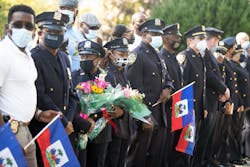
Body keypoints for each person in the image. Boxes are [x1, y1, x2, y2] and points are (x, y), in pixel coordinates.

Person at [28, 11, 79, 167]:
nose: (56, 35)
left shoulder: (64, 57)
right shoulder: (34, 58)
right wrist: (62, 121)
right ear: (39, 32)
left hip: (65, 127)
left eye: (60, 32)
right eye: (51, 32)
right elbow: (41, 96)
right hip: (45, 127)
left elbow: (71, 94)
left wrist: (68, 120)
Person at [125, 18, 173, 167]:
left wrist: (167, 88)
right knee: (138, 157)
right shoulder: (136, 55)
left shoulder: (158, 55)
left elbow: (168, 79)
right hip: (145, 116)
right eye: (153, 33)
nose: (158, 37)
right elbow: (133, 89)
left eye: (159, 34)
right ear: (144, 34)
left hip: (160, 113)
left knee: (155, 156)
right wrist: (144, 117)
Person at [0, 5, 38, 166]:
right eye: (18, 25)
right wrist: (6, 138)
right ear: (8, 28)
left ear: (34, 30)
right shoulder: (3, 53)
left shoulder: (27, 54)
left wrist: (39, 112)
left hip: (25, 130)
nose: (23, 29)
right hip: (9, 131)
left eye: (28, 26)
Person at [176, 25, 207, 167]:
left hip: (199, 107)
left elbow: (202, 85)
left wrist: (204, 106)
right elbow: (183, 85)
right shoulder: (185, 56)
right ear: (189, 41)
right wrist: (189, 107)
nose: (203, 41)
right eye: (200, 38)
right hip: (188, 108)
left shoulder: (199, 57)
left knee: (194, 142)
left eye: (204, 38)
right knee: (185, 143)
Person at [103, 37, 136, 167]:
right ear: (111, 55)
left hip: (125, 128)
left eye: (126, 54)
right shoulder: (107, 74)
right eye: (121, 54)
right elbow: (109, 105)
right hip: (114, 130)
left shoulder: (122, 74)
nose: (125, 57)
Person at [160, 23, 186, 167]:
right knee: (167, 147)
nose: (177, 39)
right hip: (168, 109)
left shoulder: (174, 57)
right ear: (165, 38)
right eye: (174, 36)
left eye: (178, 36)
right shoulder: (162, 57)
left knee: (177, 144)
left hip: (178, 108)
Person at [58, 0, 83, 71]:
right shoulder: (51, 32)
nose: (66, 11)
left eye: (70, 9)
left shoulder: (79, 35)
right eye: (62, 8)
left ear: (76, 12)